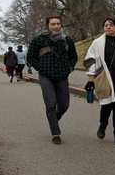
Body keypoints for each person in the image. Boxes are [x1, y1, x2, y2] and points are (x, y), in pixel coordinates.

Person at [27, 15, 78, 144]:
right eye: (52, 24)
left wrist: (69, 68)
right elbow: (30, 57)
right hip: (46, 76)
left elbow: (73, 57)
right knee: (50, 103)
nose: (55, 26)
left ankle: (55, 118)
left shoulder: (67, 40)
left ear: (61, 25)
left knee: (64, 105)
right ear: (48, 26)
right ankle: (55, 133)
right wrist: (41, 68)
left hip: (62, 76)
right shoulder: (39, 40)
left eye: (58, 24)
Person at [84, 17, 115, 145]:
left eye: (111, 25)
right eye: (105, 25)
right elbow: (89, 60)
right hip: (104, 80)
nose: (108, 27)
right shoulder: (97, 43)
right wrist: (91, 78)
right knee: (106, 107)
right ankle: (102, 125)